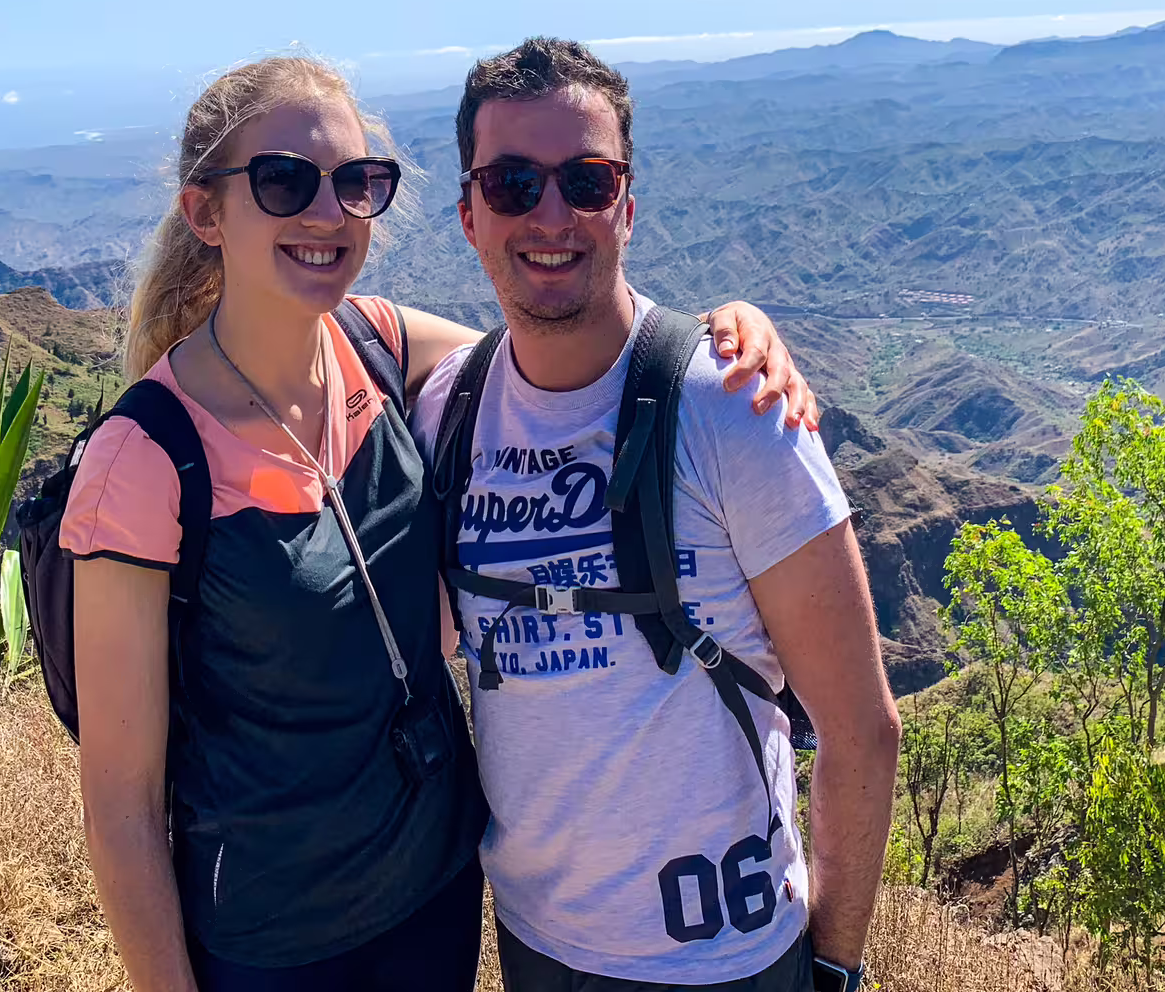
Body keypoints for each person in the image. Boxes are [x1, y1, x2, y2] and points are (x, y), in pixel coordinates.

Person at [62, 54, 819, 992]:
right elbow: (121, 810)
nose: (327, 212)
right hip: (272, 940)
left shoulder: (379, 349)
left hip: (439, 897)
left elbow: (570, 357)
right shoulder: (144, 461)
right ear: (205, 212)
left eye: (355, 183)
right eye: (284, 180)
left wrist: (725, 338)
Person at [412, 38, 901, 992]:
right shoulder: (447, 413)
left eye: (586, 181)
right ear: (469, 215)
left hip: (727, 957)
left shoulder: (734, 409)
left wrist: (832, 970)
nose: (551, 214)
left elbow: (862, 729)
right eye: (513, 184)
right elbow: (302, 318)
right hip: (535, 941)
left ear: (626, 205)